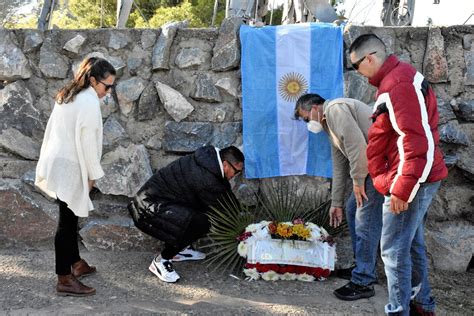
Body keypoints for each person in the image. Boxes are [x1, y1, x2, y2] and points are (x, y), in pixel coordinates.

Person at [348, 34, 448, 315]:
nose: (357, 72)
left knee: (392, 251)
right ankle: (423, 304)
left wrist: (401, 189)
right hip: (410, 175)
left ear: (369, 58)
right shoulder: (397, 78)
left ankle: (398, 309)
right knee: (411, 243)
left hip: (407, 179)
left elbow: (416, 139)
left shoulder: (398, 84)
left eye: (356, 66)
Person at [35, 57, 116, 297]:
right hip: (71, 165)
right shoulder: (89, 102)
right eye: (106, 86)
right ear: (93, 80)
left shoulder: (69, 95)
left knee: (69, 217)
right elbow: (89, 145)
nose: (108, 91)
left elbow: (52, 131)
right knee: (67, 223)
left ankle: (76, 263)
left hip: (59, 161)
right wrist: (92, 177)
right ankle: (64, 278)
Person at [294, 94, 384, 301]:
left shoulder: (334, 109)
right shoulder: (329, 124)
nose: (307, 123)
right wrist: (336, 203)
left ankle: (364, 280)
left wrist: (358, 181)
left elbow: (357, 148)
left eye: (306, 118)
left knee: (365, 221)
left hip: (378, 167)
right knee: (353, 211)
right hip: (370, 169)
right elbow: (339, 164)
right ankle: (361, 266)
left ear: (315, 108)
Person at [128, 145, 244, 283]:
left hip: (156, 201)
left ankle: (181, 249)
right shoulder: (206, 178)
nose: (235, 175)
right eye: (236, 171)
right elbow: (222, 208)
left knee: (197, 211)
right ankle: (161, 260)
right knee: (201, 223)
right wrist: (246, 231)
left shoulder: (209, 160)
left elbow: (223, 194)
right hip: (147, 210)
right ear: (225, 164)